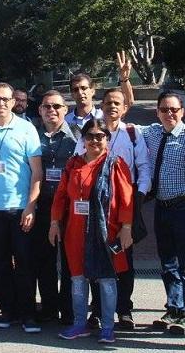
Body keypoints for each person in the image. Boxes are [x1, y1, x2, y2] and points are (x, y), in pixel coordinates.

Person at [49, 119, 134, 345]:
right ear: (83, 140)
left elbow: (126, 199)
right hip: (75, 231)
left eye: (100, 136)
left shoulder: (116, 164)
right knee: (77, 279)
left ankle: (107, 327)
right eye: (90, 136)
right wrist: (54, 222)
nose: (95, 140)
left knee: (107, 280)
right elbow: (60, 196)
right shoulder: (72, 164)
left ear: (107, 139)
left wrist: (126, 228)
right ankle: (79, 323)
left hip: (107, 231)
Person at [0, 82, 43, 334]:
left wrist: (31, 206)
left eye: (6, 99)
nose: (1, 103)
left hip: (20, 209)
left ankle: (28, 314)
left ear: (14, 102)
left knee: (24, 263)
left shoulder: (26, 129)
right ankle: (9, 311)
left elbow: (37, 172)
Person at [136, 92, 185, 336]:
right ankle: (174, 307)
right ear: (157, 112)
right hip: (162, 207)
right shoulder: (153, 133)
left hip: (184, 206)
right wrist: (124, 83)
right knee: (167, 262)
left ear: (182, 111)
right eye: (164, 109)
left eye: (174, 109)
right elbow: (123, 123)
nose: (169, 114)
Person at [83, 87, 150, 330]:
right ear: (102, 105)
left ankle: (124, 310)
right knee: (95, 255)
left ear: (125, 108)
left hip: (125, 202)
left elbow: (143, 167)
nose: (113, 106)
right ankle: (98, 310)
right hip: (95, 204)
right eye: (109, 102)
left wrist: (139, 198)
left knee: (123, 258)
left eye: (117, 103)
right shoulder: (93, 132)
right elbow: (81, 163)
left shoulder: (133, 133)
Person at [32, 90, 75, 325]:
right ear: (40, 110)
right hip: (42, 205)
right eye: (47, 106)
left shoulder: (77, 137)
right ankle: (49, 307)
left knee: (69, 261)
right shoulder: (32, 136)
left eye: (57, 106)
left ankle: (68, 310)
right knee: (44, 260)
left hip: (68, 207)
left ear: (65, 110)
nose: (52, 111)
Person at [66, 52, 133, 140]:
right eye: (75, 89)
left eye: (84, 88)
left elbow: (128, 102)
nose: (80, 92)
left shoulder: (105, 115)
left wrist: (124, 80)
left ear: (93, 90)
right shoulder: (66, 121)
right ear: (72, 94)